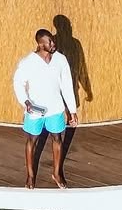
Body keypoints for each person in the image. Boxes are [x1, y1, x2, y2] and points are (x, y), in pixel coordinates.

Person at [12, 28, 78, 189]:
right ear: (41, 44)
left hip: (55, 108)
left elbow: (67, 85)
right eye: (49, 42)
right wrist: (26, 102)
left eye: (52, 40)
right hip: (35, 109)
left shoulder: (60, 60)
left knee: (57, 139)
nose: (53, 44)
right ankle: (30, 175)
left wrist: (72, 110)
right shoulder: (27, 62)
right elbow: (17, 83)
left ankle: (56, 173)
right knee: (32, 140)